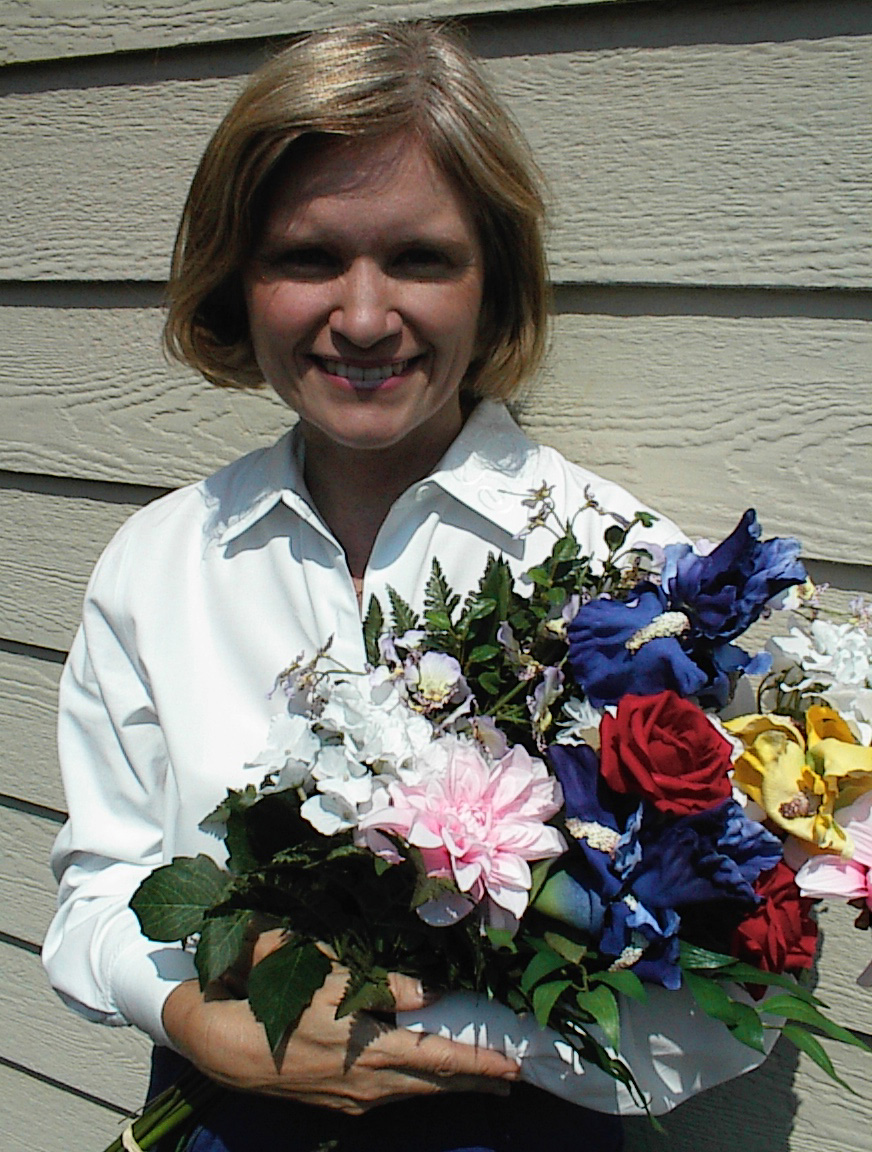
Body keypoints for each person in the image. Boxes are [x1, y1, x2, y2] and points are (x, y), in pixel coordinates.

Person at [42, 21, 768, 1152]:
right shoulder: (159, 563)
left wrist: (423, 1035)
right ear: (238, 277)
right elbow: (101, 888)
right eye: (307, 257)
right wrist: (190, 1016)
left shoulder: (629, 581)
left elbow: (730, 998)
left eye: (421, 259)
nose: (366, 316)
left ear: (493, 281)